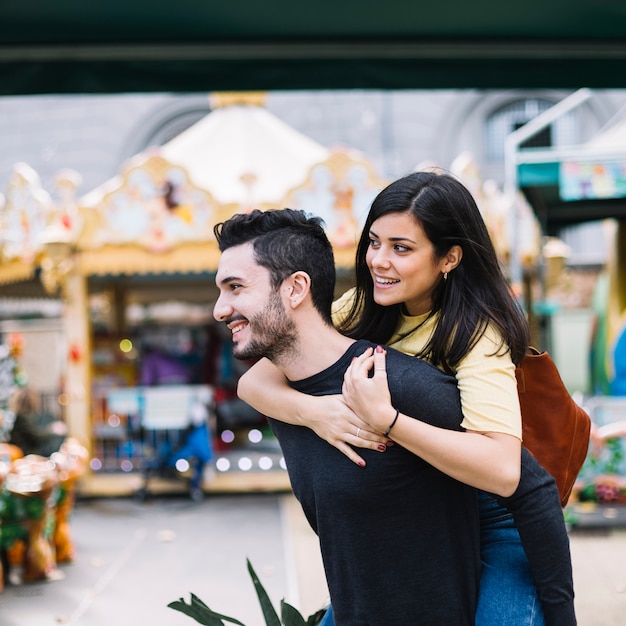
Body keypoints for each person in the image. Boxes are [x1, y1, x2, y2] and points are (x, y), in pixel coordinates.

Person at [237, 172, 576, 625]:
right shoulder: (359, 306)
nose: (378, 260)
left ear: (449, 258)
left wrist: (388, 420)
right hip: (419, 513)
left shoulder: (478, 334)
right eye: (374, 242)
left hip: (494, 516)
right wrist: (319, 414)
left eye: (402, 248)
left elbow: (502, 469)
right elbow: (254, 385)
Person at [213, 208, 482, 625]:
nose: (219, 309)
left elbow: (520, 482)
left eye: (235, 287)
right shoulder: (283, 401)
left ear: (296, 288)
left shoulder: (396, 385)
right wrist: (310, 411)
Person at [7, 386, 67, 457]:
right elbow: (36, 437)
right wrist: (52, 430)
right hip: (25, 454)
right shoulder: (24, 417)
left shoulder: (24, 416)